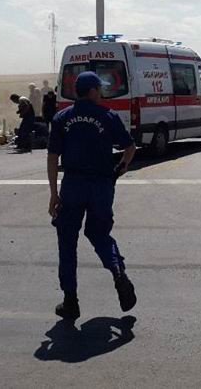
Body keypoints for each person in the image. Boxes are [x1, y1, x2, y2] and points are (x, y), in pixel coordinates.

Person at [47, 71, 137, 320]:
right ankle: (118, 271)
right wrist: (119, 170)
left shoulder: (61, 119)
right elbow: (129, 148)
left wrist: (54, 194)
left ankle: (70, 301)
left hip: (73, 185)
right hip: (101, 186)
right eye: (100, 88)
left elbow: (53, 158)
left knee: (67, 242)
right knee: (99, 234)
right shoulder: (107, 116)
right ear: (93, 91)